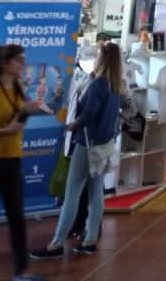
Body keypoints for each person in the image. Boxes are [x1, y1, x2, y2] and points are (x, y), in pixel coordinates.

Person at [30, 42, 126, 260]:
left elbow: (89, 113)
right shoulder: (115, 84)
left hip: (86, 143)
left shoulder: (98, 84)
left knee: (72, 193)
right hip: (104, 145)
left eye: (97, 55)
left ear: (103, 59)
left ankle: (57, 243)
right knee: (96, 192)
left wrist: (74, 124)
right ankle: (90, 239)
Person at [0, 44, 41, 279]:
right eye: (19, 60)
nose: (23, 64)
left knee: (16, 215)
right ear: (4, 63)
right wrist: (6, 131)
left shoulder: (18, 87)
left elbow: (17, 120)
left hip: (12, 158)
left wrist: (27, 111)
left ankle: (21, 270)